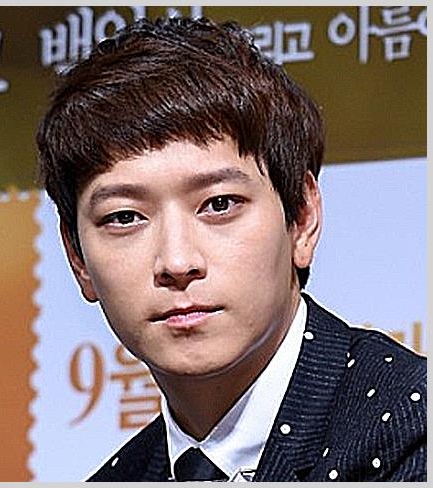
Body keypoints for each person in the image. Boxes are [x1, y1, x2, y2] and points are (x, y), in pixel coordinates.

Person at [36, 16, 426, 482]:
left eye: (219, 204)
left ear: (302, 218)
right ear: (77, 258)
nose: (177, 262)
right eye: (124, 217)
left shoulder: (412, 429)